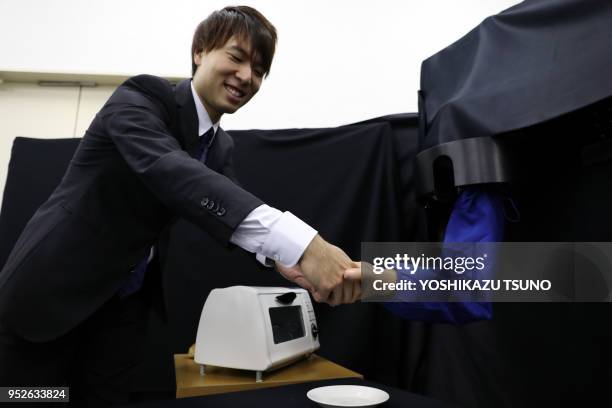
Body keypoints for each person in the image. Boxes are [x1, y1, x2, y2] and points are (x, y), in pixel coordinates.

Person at [0, 6, 359, 406]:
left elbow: (223, 208)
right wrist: (304, 244)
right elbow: (171, 171)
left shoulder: (220, 146)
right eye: (237, 58)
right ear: (200, 51)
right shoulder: (142, 96)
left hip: (123, 309)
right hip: (49, 294)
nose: (246, 77)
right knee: (32, 399)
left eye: (259, 70)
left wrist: (281, 260)